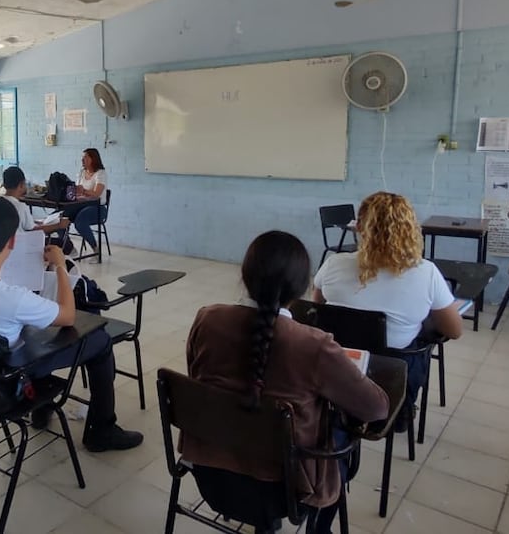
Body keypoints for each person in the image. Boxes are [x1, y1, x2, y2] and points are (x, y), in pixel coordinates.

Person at [186, 231, 389, 533]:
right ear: (301, 288)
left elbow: (196, 378)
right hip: (289, 490)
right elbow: (376, 409)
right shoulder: (314, 345)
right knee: (340, 437)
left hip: (211, 474)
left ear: (244, 275)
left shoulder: (207, 319)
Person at [0, 196, 143, 452]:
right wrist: (60, 266)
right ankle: (102, 430)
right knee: (99, 340)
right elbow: (68, 315)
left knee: (30, 334)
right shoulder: (13, 298)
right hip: (7, 382)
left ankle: (42, 409)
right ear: (12, 241)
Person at [313, 191, 463, 413]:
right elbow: (454, 330)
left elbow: (317, 308)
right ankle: (402, 414)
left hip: (337, 370)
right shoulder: (426, 272)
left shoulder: (333, 263)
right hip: (391, 377)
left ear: (360, 227)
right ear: (411, 229)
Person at [0, 166, 71, 235]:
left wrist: (36, 222)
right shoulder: (20, 207)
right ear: (21, 185)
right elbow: (33, 231)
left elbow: (23, 223)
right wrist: (58, 225)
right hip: (20, 244)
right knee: (67, 245)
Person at [61, 148, 108, 252]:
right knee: (59, 217)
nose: (82, 160)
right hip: (81, 205)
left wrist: (84, 191)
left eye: (85, 157)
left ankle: (95, 249)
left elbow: (97, 194)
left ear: (93, 159)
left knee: (80, 221)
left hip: (97, 208)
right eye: (82, 158)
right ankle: (69, 248)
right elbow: (78, 190)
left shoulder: (101, 173)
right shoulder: (82, 172)